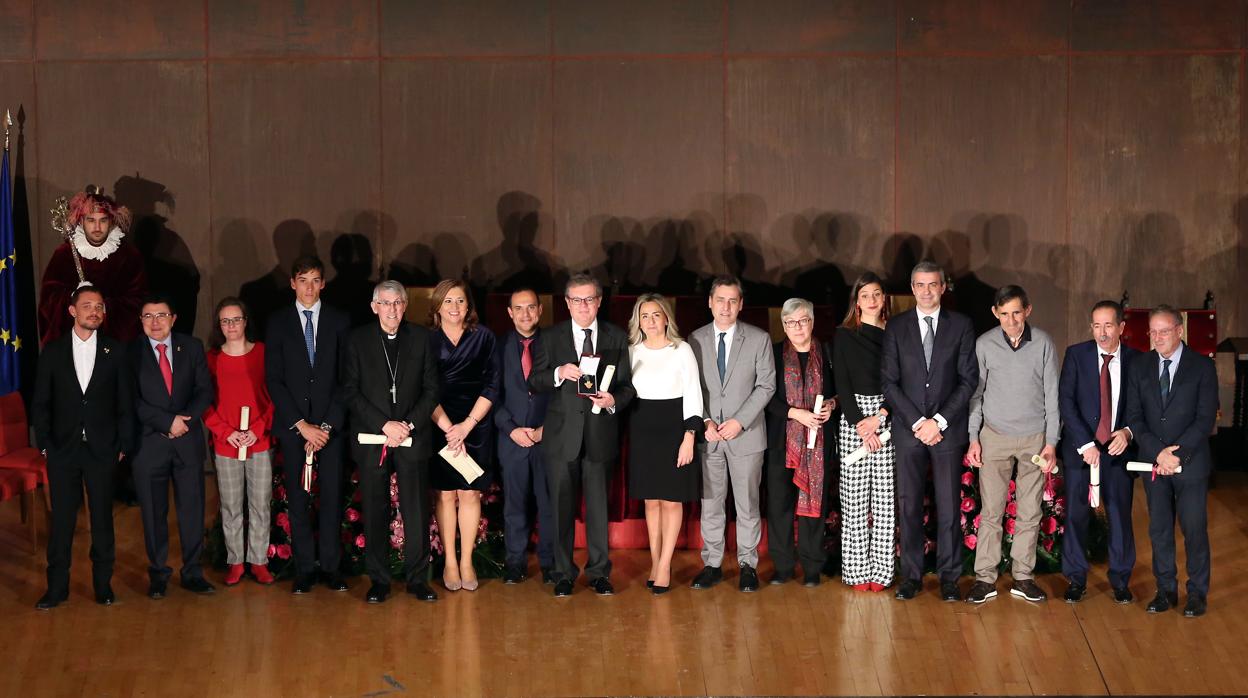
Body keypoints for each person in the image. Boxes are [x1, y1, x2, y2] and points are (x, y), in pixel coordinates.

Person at [528, 272, 635, 597]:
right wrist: (559, 373)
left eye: (589, 299)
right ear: (567, 303)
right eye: (576, 299)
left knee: (599, 508)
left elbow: (629, 385)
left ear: (599, 301)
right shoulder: (551, 337)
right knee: (561, 508)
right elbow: (535, 380)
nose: (583, 305)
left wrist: (614, 399)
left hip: (600, 433)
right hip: (562, 438)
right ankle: (562, 573)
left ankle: (599, 572)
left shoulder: (616, 337)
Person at [31, 286, 134, 610]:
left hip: (103, 450)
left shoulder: (116, 352)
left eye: (100, 307)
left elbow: (125, 404)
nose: (94, 311)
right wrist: (46, 445)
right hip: (63, 450)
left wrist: (122, 446)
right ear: (72, 311)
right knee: (62, 521)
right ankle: (56, 588)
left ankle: (102, 585)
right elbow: (41, 403)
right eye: (87, 306)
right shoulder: (52, 352)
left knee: (102, 519)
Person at [881, 261, 978, 602]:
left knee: (949, 506)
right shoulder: (896, 327)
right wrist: (918, 422)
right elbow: (889, 383)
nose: (926, 291)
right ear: (912, 288)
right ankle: (911, 576)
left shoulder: (961, 326)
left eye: (932, 285)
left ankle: (950, 578)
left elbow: (968, 380)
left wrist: (939, 421)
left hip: (947, 432)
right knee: (908, 506)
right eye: (920, 285)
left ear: (942, 287)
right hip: (909, 431)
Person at [341, 281, 441, 603]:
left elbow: (432, 390)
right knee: (375, 510)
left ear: (405, 305)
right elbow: (350, 391)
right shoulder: (357, 340)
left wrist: (407, 424)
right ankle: (379, 581)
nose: (393, 309)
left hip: (413, 436)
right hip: (374, 437)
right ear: (374, 307)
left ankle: (417, 580)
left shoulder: (422, 339)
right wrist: (384, 424)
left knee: (415, 510)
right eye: (386, 303)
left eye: (398, 303)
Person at [964, 285, 1060, 604]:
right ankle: (985, 578)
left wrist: (1051, 441)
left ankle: (1023, 576)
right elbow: (976, 395)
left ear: (1028, 310)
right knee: (991, 511)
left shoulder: (1044, 343)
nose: (1011, 320)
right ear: (995, 313)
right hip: (994, 435)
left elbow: (1052, 396)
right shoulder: (984, 345)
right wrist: (973, 438)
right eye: (1004, 314)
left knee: (1030, 511)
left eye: (1017, 312)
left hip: (1033, 437)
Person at [1124, 305, 1218, 618]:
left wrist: (1176, 454)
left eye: (1165, 331)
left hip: (1190, 464)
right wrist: (1158, 453)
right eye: (1153, 331)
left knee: (1193, 529)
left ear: (1180, 330)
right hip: (1154, 463)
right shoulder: (1140, 366)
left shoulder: (1202, 367)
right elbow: (1134, 418)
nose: (1158, 337)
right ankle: (1165, 590)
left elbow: (1205, 419)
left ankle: (1197, 594)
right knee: (1160, 530)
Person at [264, 256, 351, 594]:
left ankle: (330, 567)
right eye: (303, 280)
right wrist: (301, 425)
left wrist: (326, 425)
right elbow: (274, 379)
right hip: (294, 427)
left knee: (330, 497)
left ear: (324, 283)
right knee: (298, 500)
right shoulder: (278, 322)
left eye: (316, 280)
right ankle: (304, 569)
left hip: (331, 428)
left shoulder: (340, 321)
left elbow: (346, 379)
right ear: (292, 283)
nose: (310, 287)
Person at [687, 276, 776, 593]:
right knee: (711, 503)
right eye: (720, 300)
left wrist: (740, 420)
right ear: (710, 302)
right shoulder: (694, 340)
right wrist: (706, 421)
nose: (725, 307)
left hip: (746, 435)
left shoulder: (759, 339)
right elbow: (691, 387)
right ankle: (711, 564)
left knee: (748, 504)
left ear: (741, 304)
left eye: (732, 300)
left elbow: (766, 385)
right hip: (710, 438)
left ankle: (748, 566)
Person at [130, 294, 216, 599]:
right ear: (140, 320)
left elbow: (204, 390)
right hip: (149, 445)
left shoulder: (191, 347)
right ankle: (158, 573)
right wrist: (166, 422)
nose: (155, 323)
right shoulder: (131, 352)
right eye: (148, 316)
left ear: (173, 318)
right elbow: (131, 400)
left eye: (161, 315)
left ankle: (193, 572)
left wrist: (185, 421)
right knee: (153, 512)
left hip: (187, 442)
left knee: (192, 509)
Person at [1058, 300, 1139, 604]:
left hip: (1119, 451)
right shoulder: (1076, 355)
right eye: (1096, 325)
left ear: (1121, 327)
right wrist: (1085, 443)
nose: (1102, 333)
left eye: (1108, 325)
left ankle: (1120, 579)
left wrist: (1129, 432)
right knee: (1077, 514)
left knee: (1119, 515)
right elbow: (1066, 401)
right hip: (1082, 451)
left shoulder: (1137, 360)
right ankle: (1076, 578)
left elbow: (1141, 407)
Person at [626, 294, 703, 594]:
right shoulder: (632, 351)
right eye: (645, 316)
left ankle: (664, 565)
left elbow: (693, 393)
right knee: (651, 501)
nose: (651, 321)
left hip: (675, 429)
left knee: (671, 500)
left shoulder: (681, 350)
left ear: (666, 318)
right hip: (643, 429)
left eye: (656, 315)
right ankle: (657, 561)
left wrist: (689, 436)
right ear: (638, 321)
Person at [427, 279, 499, 592]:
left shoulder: (484, 337)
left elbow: (493, 384)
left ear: (468, 305)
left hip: (476, 423)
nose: (454, 307)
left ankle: (467, 560)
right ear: (437, 307)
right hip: (439, 421)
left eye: (460, 301)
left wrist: (467, 426)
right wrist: (447, 428)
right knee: (445, 494)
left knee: (470, 493)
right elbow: (422, 388)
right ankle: (450, 563)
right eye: (448, 301)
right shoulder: (426, 340)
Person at [204, 297, 275, 587]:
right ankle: (235, 561)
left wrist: (258, 429)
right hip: (226, 442)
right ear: (219, 326)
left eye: (236, 319)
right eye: (225, 321)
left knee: (260, 504)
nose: (231, 326)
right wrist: (225, 431)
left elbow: (275, 397)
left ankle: (258, 561)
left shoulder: (262, 354)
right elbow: (204, 403)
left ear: (246, 322)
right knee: (231, 506)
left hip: (259, 440)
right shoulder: (211, 359)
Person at [764, 298, 835, 587]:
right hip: (783, 440)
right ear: (783, 325)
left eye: (803, 320)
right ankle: (782, 566)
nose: (797, 327)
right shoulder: (773, 353)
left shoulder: (827, 352)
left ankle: (812, 566)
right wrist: (796, 414)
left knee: (814, 505)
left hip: (818, 443)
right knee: (779, 505)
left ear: (812, 322)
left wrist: (832, 404)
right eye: (791, 322)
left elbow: (841, 390)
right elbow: (765, 395)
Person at [831, 273, 895, 592]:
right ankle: (857, 571)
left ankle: (881, 572)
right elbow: (842, 383)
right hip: (853, 418)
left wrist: (881, 416)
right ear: (857, 300)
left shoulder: (896, 334)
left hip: (887, 415)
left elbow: (903, 381)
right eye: (865, 294)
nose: (871, 299)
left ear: (884, 299)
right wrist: (860, 423)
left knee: (884, 501)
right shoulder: (844, 336)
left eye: (877, 294)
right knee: (854, 500)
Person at [494, 288, 556, 585]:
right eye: (518, 308)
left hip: (548, 439)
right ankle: (515, 563)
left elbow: (565, 393)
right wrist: (510, 428)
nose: (525, 314)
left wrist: (548, 427)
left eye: (531, 307)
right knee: (514, 506)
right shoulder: (497, 345)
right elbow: (491, 394)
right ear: (509, 312)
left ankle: (550, 564)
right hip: (513, 439)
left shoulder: (556, 343)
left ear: (540, 310)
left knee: (549, 505)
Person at [38, 186, 147, 346]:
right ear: (81, 220)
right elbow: (49, 299)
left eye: (103, 220)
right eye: (91, 220)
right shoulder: (65, 253)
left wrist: (103, 306)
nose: (97, 227)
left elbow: (138, 301)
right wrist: (75, 298)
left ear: (111, 222)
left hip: (114, 344)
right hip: (74, 342)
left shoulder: (129, 255)